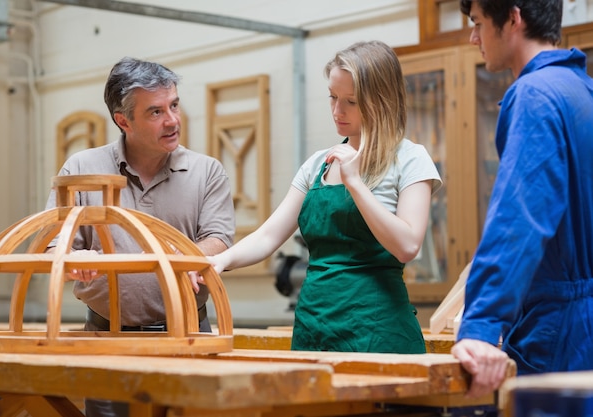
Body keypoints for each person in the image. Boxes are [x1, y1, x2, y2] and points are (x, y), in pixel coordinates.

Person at [203, 40, 442, 354]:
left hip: (378, 332)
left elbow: (407, 246)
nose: (337, 111)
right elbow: (267, 236)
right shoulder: (317, 164)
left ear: (381, 100)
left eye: (351, 102)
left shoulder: (410, 158)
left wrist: (355, 182)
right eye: (332, 97)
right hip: (314, 329)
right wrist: (221, 260)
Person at [45, 57, 235, 417]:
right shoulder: (82, 169)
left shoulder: (206, 170)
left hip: (190, 333)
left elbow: (219, 237)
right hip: (107, 337)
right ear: (123, 120)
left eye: (174, 105)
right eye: (156, 112)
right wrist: (73, 259)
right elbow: (57, 242)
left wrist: (194, 260)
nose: (173, 120)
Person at [451, 0, 593, 398]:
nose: (473, 36)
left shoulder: (534, 95)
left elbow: (520, 216)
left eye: (478, 23)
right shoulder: (583, 90)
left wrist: (482, 324)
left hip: (563, 331)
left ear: (513, 18)